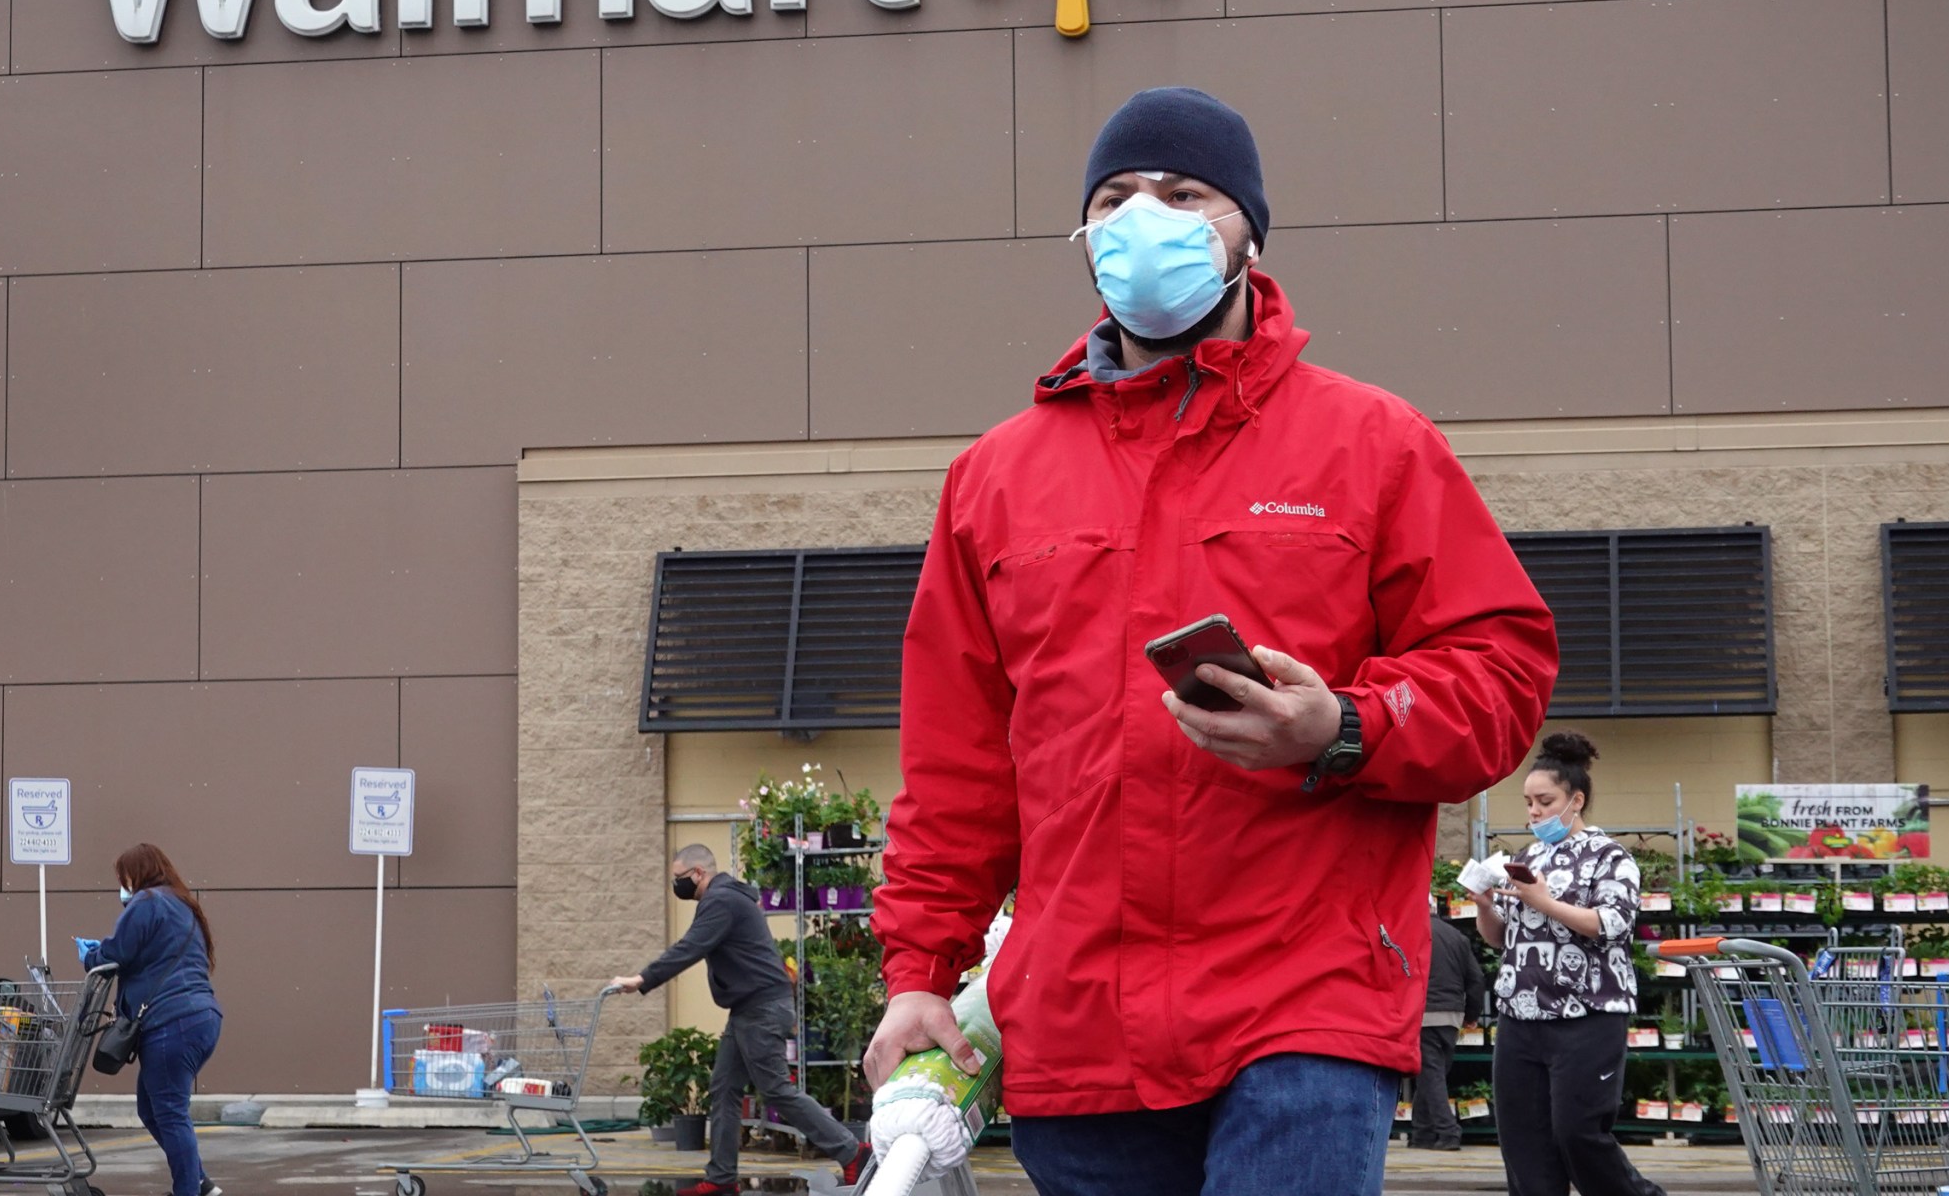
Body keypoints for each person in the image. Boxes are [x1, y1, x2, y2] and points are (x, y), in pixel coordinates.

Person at [864, 86, 1560, 1196]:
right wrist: (917, 976)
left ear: (1246, 231)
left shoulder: (1372, 443)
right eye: (1114, 198)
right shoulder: (992, 478)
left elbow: (1502, 671)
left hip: (1306, 1002)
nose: (1146, 217)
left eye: (1184, 194)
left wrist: (1341, 726)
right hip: (1079, 1025)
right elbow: (957, 768)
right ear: (1083, 239)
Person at [608, 845, 871, 1196]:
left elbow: (690, 947)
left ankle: (853, 1152)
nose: (677, 885)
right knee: (724, 1090)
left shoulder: (721, 901)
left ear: (699, 873)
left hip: (760, 1008)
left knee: (776, 1089)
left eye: (680, 878)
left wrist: (643, 979)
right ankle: (721, 1179)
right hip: (750, 1008)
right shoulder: (730, 897)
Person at [1477, 733, 1667, 1196]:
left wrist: (1542, 901)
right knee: (1524, 1143)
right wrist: (1485, 904)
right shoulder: (1525, 858)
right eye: (1528, 802)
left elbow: (1613, 924)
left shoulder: (1611, 857)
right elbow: (1504, 938)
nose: (1534, 812)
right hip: (1520, 1017)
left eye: (1545, 801)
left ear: (1575, 800)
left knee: (1578, 1133)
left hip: (1587, 1015)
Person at [79, 844, 223, 1196]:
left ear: (136, 874)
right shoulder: (182, 904)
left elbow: (115, 953)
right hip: (201, 1017)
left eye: (122, 877)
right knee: (151, 1107)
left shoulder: (146, 903)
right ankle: (199, 1183)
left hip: (171, 1023)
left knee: (170, 1113)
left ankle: (190, 1190)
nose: (122, 886)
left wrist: (90, 954)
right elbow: (149, 954)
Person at [1409, 895, 1488, 1150]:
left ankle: (1449, 1132)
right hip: (1451, 1016)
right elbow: (1476, 978)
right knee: (1432, 1074)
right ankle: (1422, 1133)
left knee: (1431, 1075)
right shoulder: (1458, 938)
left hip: (1422, 1014)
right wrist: (1472, 1015)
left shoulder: (1412, 934)